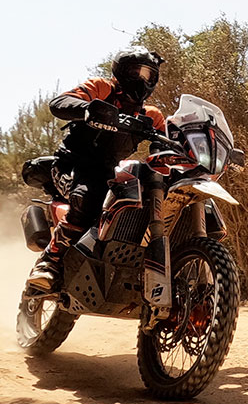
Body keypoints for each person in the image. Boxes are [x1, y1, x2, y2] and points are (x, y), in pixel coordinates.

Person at [26, 46, 166, 291]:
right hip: (72, 163)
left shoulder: (151, 115)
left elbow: (166, 140)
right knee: (88, 198)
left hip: (108, 171)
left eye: (149, 76)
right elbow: (60, 102)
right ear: (121, 72)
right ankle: (49, 261)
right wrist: (87, 109)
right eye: (137, 72)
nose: (143, 80)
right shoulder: (102, 88)